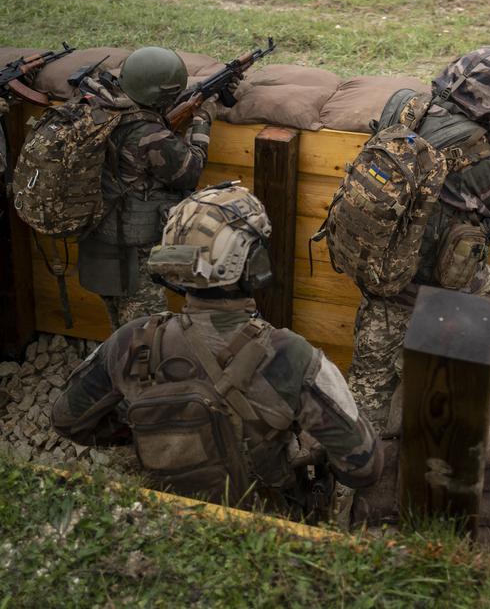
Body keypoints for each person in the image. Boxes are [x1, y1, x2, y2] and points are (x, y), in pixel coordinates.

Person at [52, 182, 382, 519]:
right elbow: (364, 466)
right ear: (249, 263)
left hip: (167, 513)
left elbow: (67, 420)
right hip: (264, 527)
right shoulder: (289, 355)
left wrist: (156, 431)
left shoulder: (132, 340)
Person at [347, 46, 490, 436]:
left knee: (361, 412)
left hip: (378, 277)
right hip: (436, 288)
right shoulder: (476, 150)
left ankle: (339, 493)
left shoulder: (402, 105)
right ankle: (430, 359)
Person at [76, 46, 217, 329]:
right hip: (131, 246)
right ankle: (136, 372)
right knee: (145, 336)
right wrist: (203, 122)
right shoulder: (148, 134)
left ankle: (117, 366)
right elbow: (190, 172)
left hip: (96, 233)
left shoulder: (99, 105)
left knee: (120, 323)